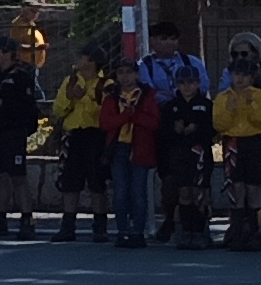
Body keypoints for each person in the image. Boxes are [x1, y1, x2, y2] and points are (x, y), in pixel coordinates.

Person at [46, 45, 112, 245]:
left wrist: (88, 99)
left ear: (91, 61)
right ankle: (68, 225)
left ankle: (100, 227)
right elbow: (57, 110)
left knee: (97, 182)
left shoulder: (106, 84)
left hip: (96, 136)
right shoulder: (70, 81)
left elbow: (107, 113)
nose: (77, 60)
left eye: (81, 56)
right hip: (74, 136)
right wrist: (70, 98)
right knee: (70, 181)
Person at [0, 42, 40, 238]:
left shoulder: (22, 77)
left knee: (18, 177)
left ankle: (27, 219)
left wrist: (1, 102)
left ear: (8, 53)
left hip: (14, 132)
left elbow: (28, 108)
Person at [213, 54, 261, 249]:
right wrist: (231, 110)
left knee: (254, 188)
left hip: (255, 142)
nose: (240, 79)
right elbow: (219, 124)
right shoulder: (223, 97)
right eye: (236, 74)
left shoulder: (259, 95)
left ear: (252, 77)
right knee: (236, 187)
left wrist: (249, 106)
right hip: (233, 142)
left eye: (245, 75)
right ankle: (237, 231)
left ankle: (256, 231)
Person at [159, 61, 217, 248]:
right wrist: (175, 129)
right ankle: (185, 230)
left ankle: (201, 230)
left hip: (200, 154)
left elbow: (213, 130)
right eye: (183, 82)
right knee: (184, 192)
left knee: (199, 193)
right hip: (179, 154)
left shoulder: (207, 105)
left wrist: (196, 129)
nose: (187, 86)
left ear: (198, 83)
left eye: (191, 82)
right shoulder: (171, 106)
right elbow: (163, 133)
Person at [105, 67, 162, 250]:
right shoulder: (112, 97)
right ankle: (122, 231)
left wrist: (135, 115)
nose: (125, 76)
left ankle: (137, 232)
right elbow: (105, 123)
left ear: (137, 75)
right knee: (120, 192)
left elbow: (154, 123)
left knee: (138, 191)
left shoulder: (147, 96)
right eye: (121, 72)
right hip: (118, 148)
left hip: (140, 146)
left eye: (129, 72)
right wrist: (125, 116)